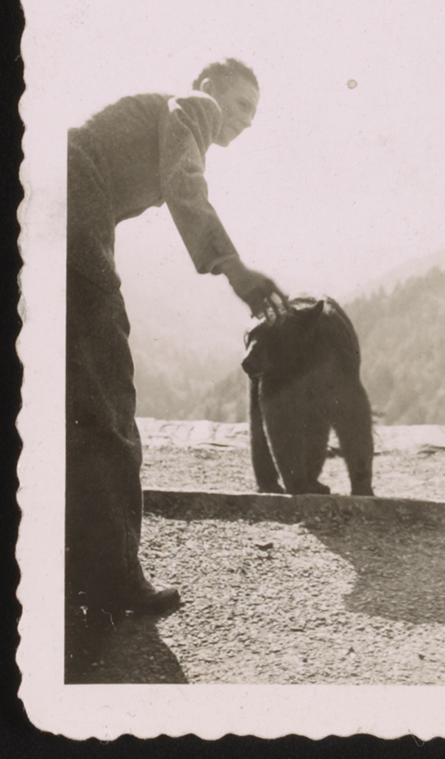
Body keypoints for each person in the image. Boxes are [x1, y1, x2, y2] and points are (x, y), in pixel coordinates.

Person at [66, 57, 286, 622]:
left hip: (52, 211)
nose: (244, 120)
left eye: (254, 115)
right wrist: (233, 268)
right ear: (211, 88)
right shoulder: (194, 107)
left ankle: (71, 570)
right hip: (69, 222)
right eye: (242, 104)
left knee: (68, 403)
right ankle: (113, 579)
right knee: (109, 402)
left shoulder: (163, 116)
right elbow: (183, 183)